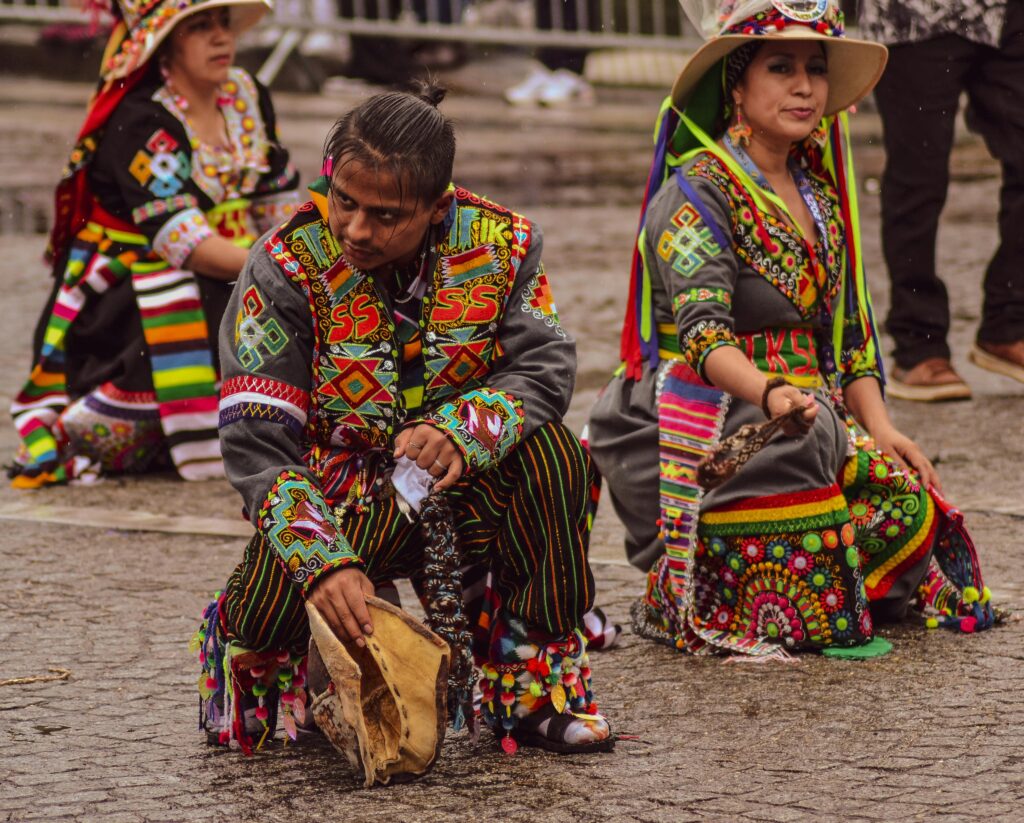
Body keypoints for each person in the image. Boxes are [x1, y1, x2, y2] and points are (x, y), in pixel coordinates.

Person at [193, 82, 614, 756]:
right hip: (339, 494)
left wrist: (467, 426)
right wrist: (322, 561)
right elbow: (258, 440)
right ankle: (279, 667)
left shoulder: (503, 244)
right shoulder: (283, 268)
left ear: (437, 207)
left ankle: (534, 687)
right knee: (267, 615)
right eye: (346, 203)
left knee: (557, 456)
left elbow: (545, 365)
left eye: (386, 215)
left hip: (455, 482)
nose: (357, 230)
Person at [588, 0, 995, 659]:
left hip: (806, 418)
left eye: (815, 69)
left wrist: (884, 428)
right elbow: (703, 339)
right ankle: (700, 578)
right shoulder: (697, 191)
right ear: (738, 87)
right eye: (781, 68)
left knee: (913, 512)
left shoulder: (820, 195)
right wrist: (773, 393)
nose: (805, 87)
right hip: (713, 420)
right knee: (808, 590)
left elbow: (849, 337)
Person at [9, 0, 300, 488]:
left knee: (291, 300)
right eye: (199, 27)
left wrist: (302, 259)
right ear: (165, 43)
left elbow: (276, 200)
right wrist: (276, 270)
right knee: (231, 298)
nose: (220, 37)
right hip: (126, 288)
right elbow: (183, 241)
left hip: (226, 262)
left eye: (223, 23)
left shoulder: (249, 95)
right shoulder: (142, 119)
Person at [859, 0, 1024, 401]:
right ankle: (918, 346)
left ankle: (1009, 324)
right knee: (919, 178)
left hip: (1008, 14)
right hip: (913, 15)